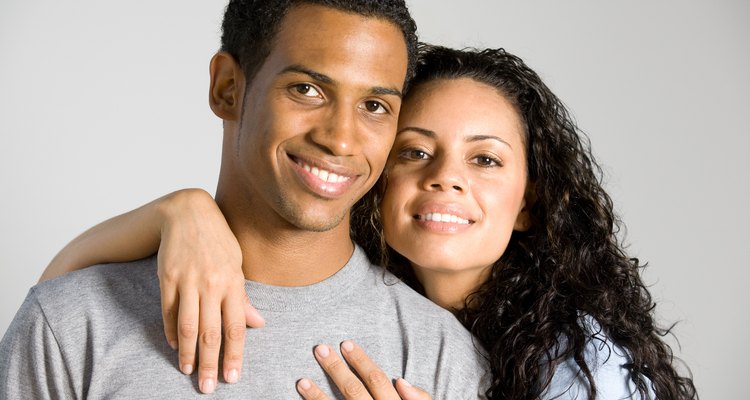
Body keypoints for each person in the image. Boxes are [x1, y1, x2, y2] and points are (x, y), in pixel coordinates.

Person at [37, 43, 700, 399]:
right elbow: (57, 310)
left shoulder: (582, 371)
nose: (445, 176)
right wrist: (175, 212)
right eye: (415, 151)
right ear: (377, 180)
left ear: (530, 203)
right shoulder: (383, 308)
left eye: (486, 160)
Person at [0, 2, 491, 399]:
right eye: (307, 89)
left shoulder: (443, 356)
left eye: (374, 106)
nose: (342, 140)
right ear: (228, 88)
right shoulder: (70, 323)